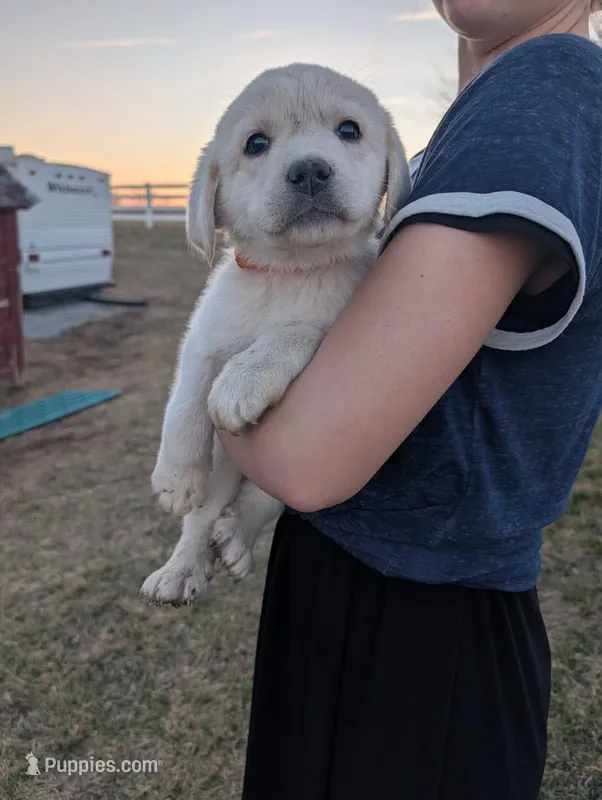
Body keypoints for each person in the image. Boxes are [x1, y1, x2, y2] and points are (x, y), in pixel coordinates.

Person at [218, 2, 602, 798]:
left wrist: (199, 402)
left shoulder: (545, 88)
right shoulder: (487, 113)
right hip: (388, 582)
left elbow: (307, 457)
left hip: (421, 626)